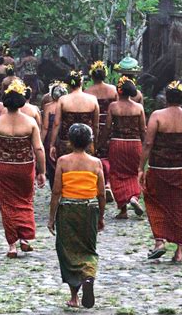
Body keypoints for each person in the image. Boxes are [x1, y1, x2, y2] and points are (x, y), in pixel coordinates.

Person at [138, 81, 182, 263]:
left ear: (166, 98)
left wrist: (141, 168)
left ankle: (159, 242)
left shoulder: (157, 116)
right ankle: (179, 252)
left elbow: (148, 144)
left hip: (159, 169)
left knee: (155, 202)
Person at [0, 79, 46, 258]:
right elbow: (39, 149)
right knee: (25, 200)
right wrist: (42, 172)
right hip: (25, 168)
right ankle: (24, 239)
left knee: (7, 204)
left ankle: (12, 245)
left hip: (3, 168)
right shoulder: (30, 123)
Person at [48, 123, 105, 309]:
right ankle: (89, 276)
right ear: (90, 142)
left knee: (68, 251)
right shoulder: (96, 163)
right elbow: (102, 193)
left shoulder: (63, 161)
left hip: (68, 208)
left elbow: (56, 191)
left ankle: (74, 297)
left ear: (70, 142)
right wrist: (101, 216)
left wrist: (51, 218)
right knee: (88, 248)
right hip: (90, 208)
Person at [103, 76, 146, 219]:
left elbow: (108, 128)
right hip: (135, 144)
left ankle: (123, 209)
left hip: (117, 144)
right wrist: (146, 147)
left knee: (116, 174)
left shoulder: (113, 107)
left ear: (118, 91)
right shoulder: (139, 108)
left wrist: (101, 143)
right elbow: (142, 130)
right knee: (134, 173)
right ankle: (134, 197)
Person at [85, 61, 118, 201]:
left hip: (94, 125)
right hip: (110, 125)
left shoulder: (88, 92)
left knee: (96, 155)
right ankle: (108, 183)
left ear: (92, 76)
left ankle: (99, 183)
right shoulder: (113, 90)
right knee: (109, 156)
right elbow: (117, 106)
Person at [49, 71, 100, 161]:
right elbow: (96, 125)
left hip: (67, 142)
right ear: (81, 83)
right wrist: (95, 142)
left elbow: (56, 124)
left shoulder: (63, 100)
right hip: (86, 142)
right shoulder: (92, 99)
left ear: (68, 85)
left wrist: (52, 144)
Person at [41, 82, 68, 189]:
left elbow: (45, 127)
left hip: (51, 137)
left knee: (52, 163)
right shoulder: (67, 105)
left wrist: (41, 141)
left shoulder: (48, 107)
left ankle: (54, 188)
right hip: (64, 136)